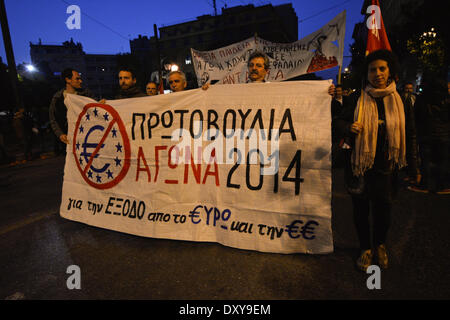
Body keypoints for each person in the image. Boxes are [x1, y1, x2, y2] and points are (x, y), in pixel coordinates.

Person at [329, 50, 420, 272]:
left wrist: (414, 166)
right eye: (372, 69)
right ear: (366, 73)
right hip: (359, 166)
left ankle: (380, 244)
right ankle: (365, 248)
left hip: (386, 168)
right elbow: (337, 122)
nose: (377, 73)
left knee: (384, 211)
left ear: (390, 71)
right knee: (360, 210)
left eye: (382, 68)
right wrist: (348, 127)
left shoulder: (400, 100)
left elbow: (410, 133)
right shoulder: (355, 98)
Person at [408, 75, 449, 194]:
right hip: (444, 135)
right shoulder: (447, 98)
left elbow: (416, 116)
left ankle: (424, 185)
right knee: (442, 161)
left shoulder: (422, 99)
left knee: (425, 160)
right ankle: (442, 186)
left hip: (426, 134)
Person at [49, 68, 97, 148]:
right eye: (77, 79)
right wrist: (60, 134)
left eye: (80, 79)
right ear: (68, 80)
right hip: (68, 140)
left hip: (87, 137)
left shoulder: (86, 94)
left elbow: (96, 110)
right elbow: (53, 118)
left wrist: (99, 105)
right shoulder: (57, 98)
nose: (80, 81)